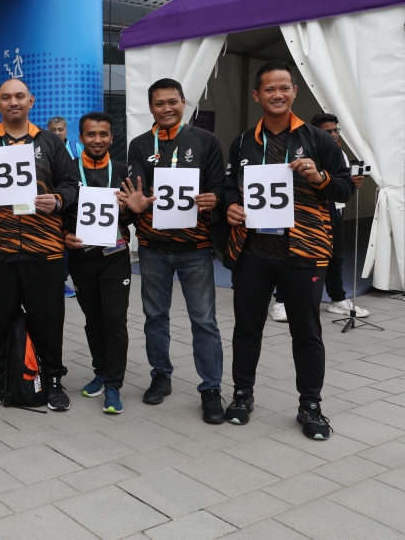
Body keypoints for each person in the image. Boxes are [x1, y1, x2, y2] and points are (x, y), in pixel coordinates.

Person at [224, 60, 353, 440]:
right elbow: (231, 187)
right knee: (247, 329)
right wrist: (231, 205)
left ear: (295, 91)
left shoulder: (320, 140)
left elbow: (345, 188)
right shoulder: (243, 143)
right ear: (256, 95)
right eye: (269, 89)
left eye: (284, 88)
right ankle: (242, 395)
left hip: (303, 252)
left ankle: (310, 405)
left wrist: (320, 176)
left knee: (307, 332)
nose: (277, 94)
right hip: (253, 252)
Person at [0, 78, 77, 411]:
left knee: (48, 319)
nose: (13, 102)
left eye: (19, 96)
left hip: (45, 248)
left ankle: (53, 379)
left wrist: (57, 200)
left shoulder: (50, 141)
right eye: (6, 97)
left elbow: (71, 184)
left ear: (31, 101)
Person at [123, 77, 227, 423]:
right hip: (152, 247)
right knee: (155, 316)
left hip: (195, 247)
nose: (166, 108)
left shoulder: (206, 141)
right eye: (159, 103)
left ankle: (211, 388)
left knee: (204, 320)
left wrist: (215, 199)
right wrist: (137, 203)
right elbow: (137, 189)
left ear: (184, 102)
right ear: (150, 108)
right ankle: (160, 374)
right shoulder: (139, 144)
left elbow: (220, 187)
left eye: (172, 102)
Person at [63, 112, 133, 414]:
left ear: (111, 138)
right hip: (82, 259)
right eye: (91, 134)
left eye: (103, 134)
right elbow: (60, 212)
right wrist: (64, 235)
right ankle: (101, 372)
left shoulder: (122, 171)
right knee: (93, 319)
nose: (97, 139)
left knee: (114, 319)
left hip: (114, 257)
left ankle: (114, 385)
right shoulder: (67, 170)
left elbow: (132, 215)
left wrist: (128, 210)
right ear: (81, 138)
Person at [269, 113, 367, 322]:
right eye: (328, 131)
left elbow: (342, 183)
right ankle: (282, 301)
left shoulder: (339, 153)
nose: (333, 134)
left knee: (335, 257)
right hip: (304, 214)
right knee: (291, 256)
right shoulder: (301, 149)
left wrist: (351, 183)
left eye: (335, 130)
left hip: (334, 211)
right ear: (316, 133)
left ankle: (337, 298)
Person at [47, 116, 77, 299]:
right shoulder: (43, 147)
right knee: (59, 244)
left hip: (73, 203)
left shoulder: (76, 148)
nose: (57, 133)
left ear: (66, 131)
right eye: (53, 130)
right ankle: (60, 282)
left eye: (60, 129)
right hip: (52, 204)